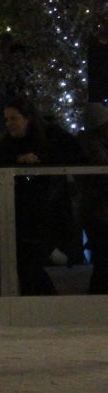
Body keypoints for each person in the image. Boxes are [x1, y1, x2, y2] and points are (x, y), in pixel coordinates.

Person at [0, 96, 82, 295]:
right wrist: (17, 160)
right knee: (26, 263)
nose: (9, 124)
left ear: (28, 118)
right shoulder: (6, 145)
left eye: (14, 118)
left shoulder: (51, 136)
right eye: (7, 119)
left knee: (35, 259)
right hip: (21, 212)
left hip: (48, 210)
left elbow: (74, 153)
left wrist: (42, 160)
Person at [78, 102, 108, 294]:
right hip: (98, 212)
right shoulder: (90, 143)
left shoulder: (88, 142)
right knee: (103, 261)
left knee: (102, 261)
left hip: (96, 211)